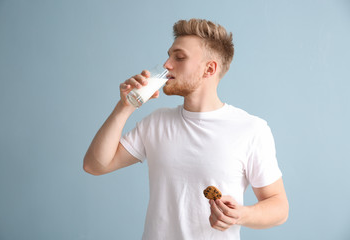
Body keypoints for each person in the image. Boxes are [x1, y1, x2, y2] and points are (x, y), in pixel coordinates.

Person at [83, 18, 289, 239]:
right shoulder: (156, 122)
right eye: (169, 55)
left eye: (179, 57)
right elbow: (95, 165)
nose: (167, 65)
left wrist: (242, 214)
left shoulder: (251, 129)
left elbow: (279, 207)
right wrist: (124, 107)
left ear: (209, 69)